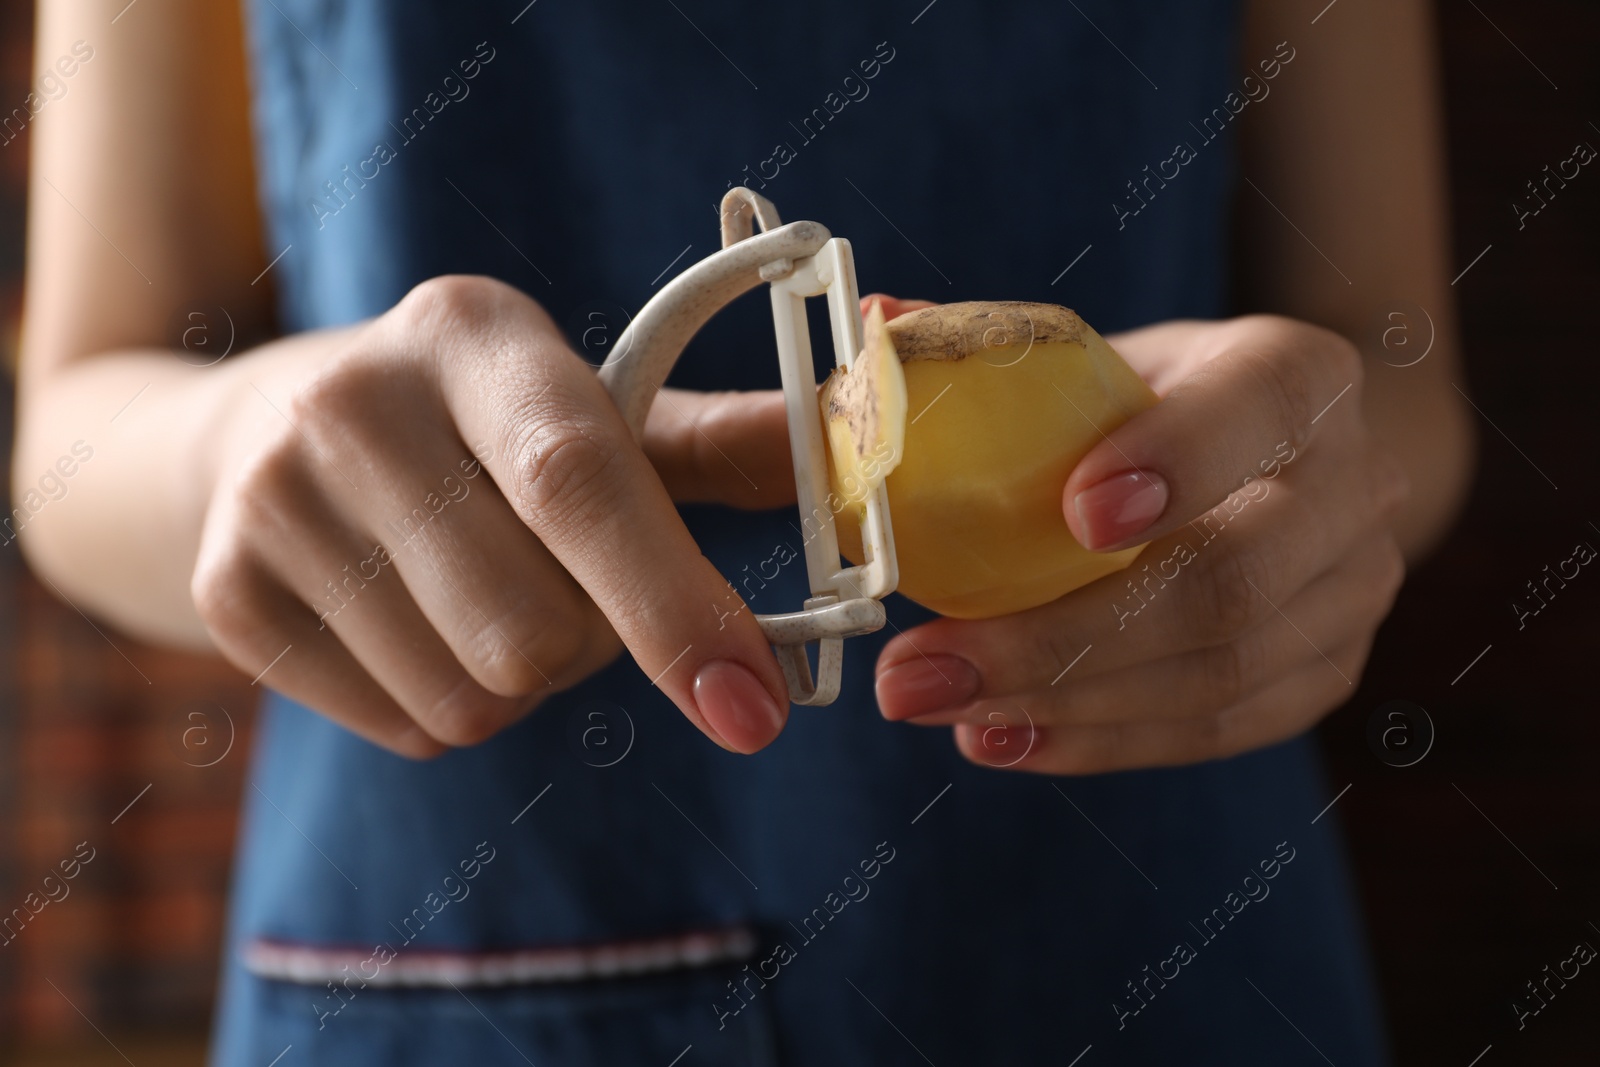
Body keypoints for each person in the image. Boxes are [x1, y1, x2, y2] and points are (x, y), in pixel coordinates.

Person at [16, 0, 1472, 1061]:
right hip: (447, 933)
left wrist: (1318, 475)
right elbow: (75, 437)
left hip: (1158, 914)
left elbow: (1394, 367)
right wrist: (241, 447)